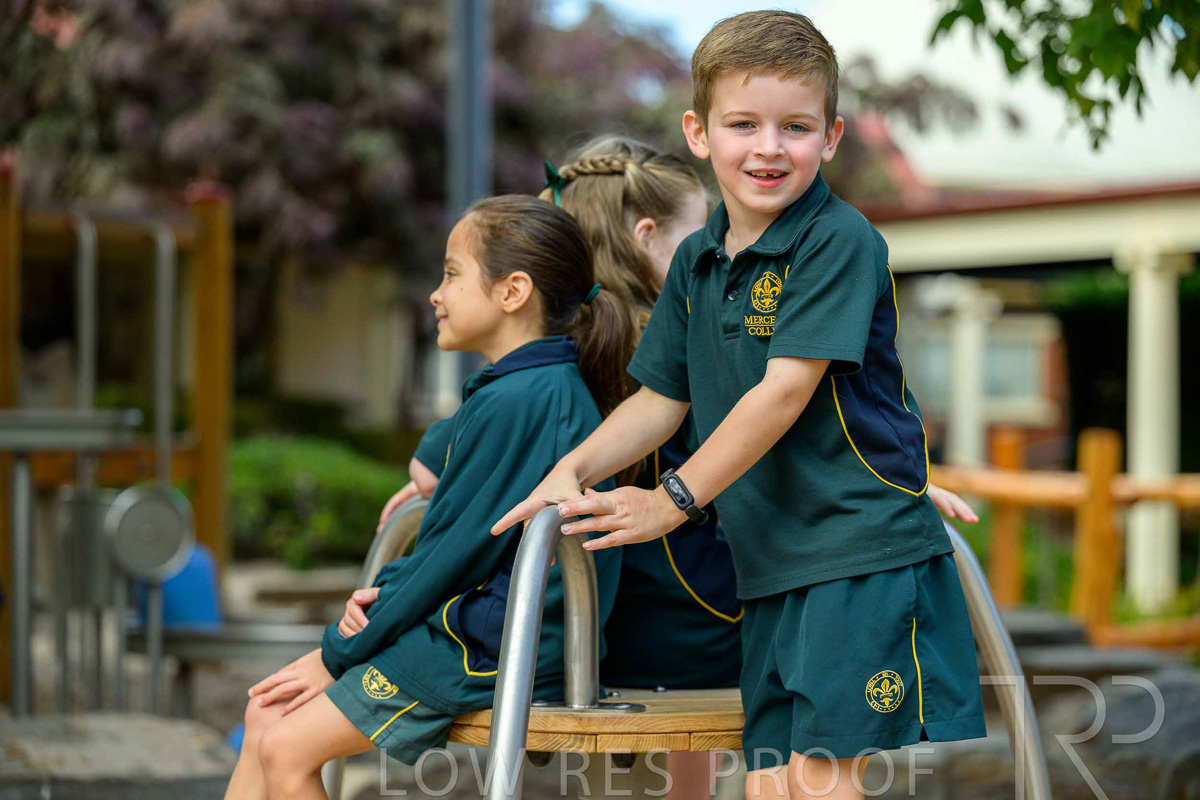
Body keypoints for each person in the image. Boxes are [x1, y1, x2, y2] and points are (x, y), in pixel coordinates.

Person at [494, 12, 988, 800]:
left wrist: (672, 500)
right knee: (767, 786)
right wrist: (572, 469)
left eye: (796, 127)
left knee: (819, 782)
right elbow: (660, 400)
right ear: (699, 132)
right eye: (744, 124)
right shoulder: (698, 260)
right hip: (769, 565)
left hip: (855, 553)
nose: (769, 147)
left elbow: (784, 392)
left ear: (830, 137)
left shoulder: (836, 241)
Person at [224, 195, 636, 800]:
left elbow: (447, 557)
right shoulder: (527, 388)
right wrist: (380, 603)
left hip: (494, 645)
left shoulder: (522, 399)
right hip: (487, 629)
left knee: (285, 744)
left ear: (513, 291)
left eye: (451, 273)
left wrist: (340, 650)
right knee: (267, 714)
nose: (435, 295)